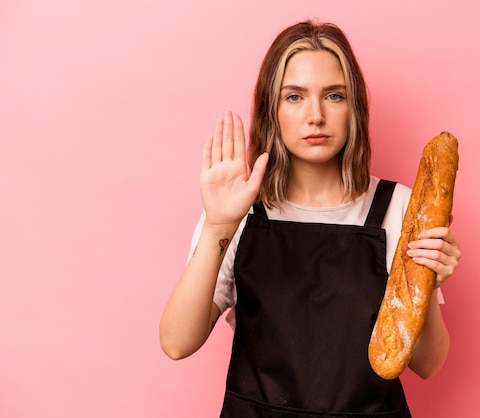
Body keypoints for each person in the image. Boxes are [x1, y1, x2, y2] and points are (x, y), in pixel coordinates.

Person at [160, 20, 461, 417]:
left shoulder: (397, 207)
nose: (315, 115)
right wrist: (218, 226)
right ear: (272, 108)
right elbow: (177, 343)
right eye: (295, 97)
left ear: (353, 108)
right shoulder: (238, 207)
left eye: (334, 95)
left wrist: (429, 283)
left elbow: (428, 363)